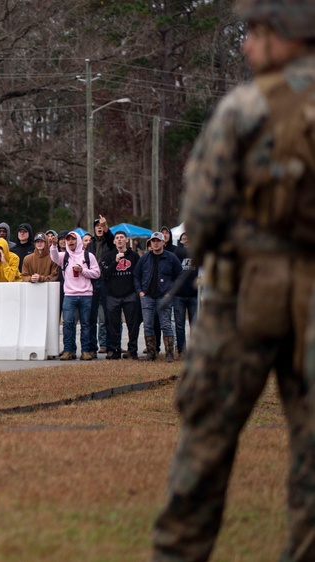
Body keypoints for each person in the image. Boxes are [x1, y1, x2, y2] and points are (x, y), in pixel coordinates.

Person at [153, 4, 315, 558]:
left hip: (242, 300)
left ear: (286, 35)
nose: (247, 46)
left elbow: (199, 218)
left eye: (256, 32)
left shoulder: (244, 108)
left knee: (205, 451)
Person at [49, 231, 101, 360]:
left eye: (73, 239)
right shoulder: (64, 256)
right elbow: (54, 257)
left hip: (86, 295)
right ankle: (68, 350)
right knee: (68, 323)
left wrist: (82, 271)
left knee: (86, 324)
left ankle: (86, 351)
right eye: (68, 240)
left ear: (78, 240)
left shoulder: (89, 256)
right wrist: (54, 246)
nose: (70, 242)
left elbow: (97, 273)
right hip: (69, 295)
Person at [133, 232, 182, 362]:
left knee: (165, 324)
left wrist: (171, 292)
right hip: (147, 296)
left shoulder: (171, 258)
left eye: (158, 241)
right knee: (148, 325)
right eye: (153, 241)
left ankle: (169, 353)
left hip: (164, 296)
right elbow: (136, 276)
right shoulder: (144, 258)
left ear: (163, 243)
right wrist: (140, 292)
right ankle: (151, 353)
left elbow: (180, 276)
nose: (155, 243)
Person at [99, 232, 140, 360]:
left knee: (132, 325)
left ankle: (132, 350)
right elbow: (104, 274)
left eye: (122, 237)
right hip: (113, 295)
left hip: (130, 295)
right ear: (114, 242)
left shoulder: (134, 256)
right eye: (117, 238)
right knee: (113, 325)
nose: (119, 240)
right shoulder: (108, 256)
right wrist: (115, 262)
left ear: (126, 240)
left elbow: (138, 274)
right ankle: (114, 350)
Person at [88, 216, 114, 354]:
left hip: (106, 281)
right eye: (96, 226)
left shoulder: (109, 243)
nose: (99, 228)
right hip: (92, 282)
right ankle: (92, 348)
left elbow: (112, 240)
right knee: (91, 317)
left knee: (108, 316)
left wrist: (106, 227)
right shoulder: (90, 243)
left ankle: (109, 346)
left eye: (101, 226)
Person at [172, 232, 198, 358]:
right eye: (184, 239)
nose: (186, 241)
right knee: (179, 324)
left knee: (195, 324)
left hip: (194, 294)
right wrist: (181, 247)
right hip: (179, 295)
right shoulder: (177, 253)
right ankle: (182, 350)